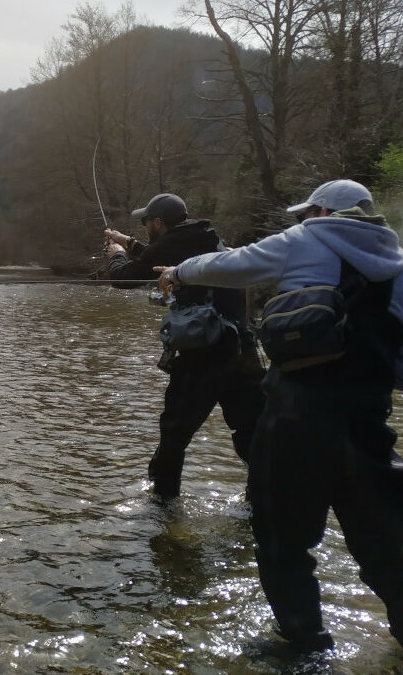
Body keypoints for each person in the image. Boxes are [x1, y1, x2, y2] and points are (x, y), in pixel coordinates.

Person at [156, 179, 403, 652]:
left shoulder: (308, 238)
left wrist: (180, 272)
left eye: (304, 213)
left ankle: (302, 639)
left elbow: (232, 264)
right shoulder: (395, 262)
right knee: (383, 539)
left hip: (296, 415)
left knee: (281, 539)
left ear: (324, 211)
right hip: (368, 420)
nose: (299, 222)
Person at [104, 192, 265, 500]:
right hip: (243, 351)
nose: (145, 227)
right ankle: (264, 499)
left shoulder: (173, 243)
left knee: (174, 435)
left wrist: (115, 254)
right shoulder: (206, 237)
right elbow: (155, 254)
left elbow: (122, 278)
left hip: (204, 355)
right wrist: (126, 240)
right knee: (250, 431)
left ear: (159, 223)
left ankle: (163, 510)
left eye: (146, 222)